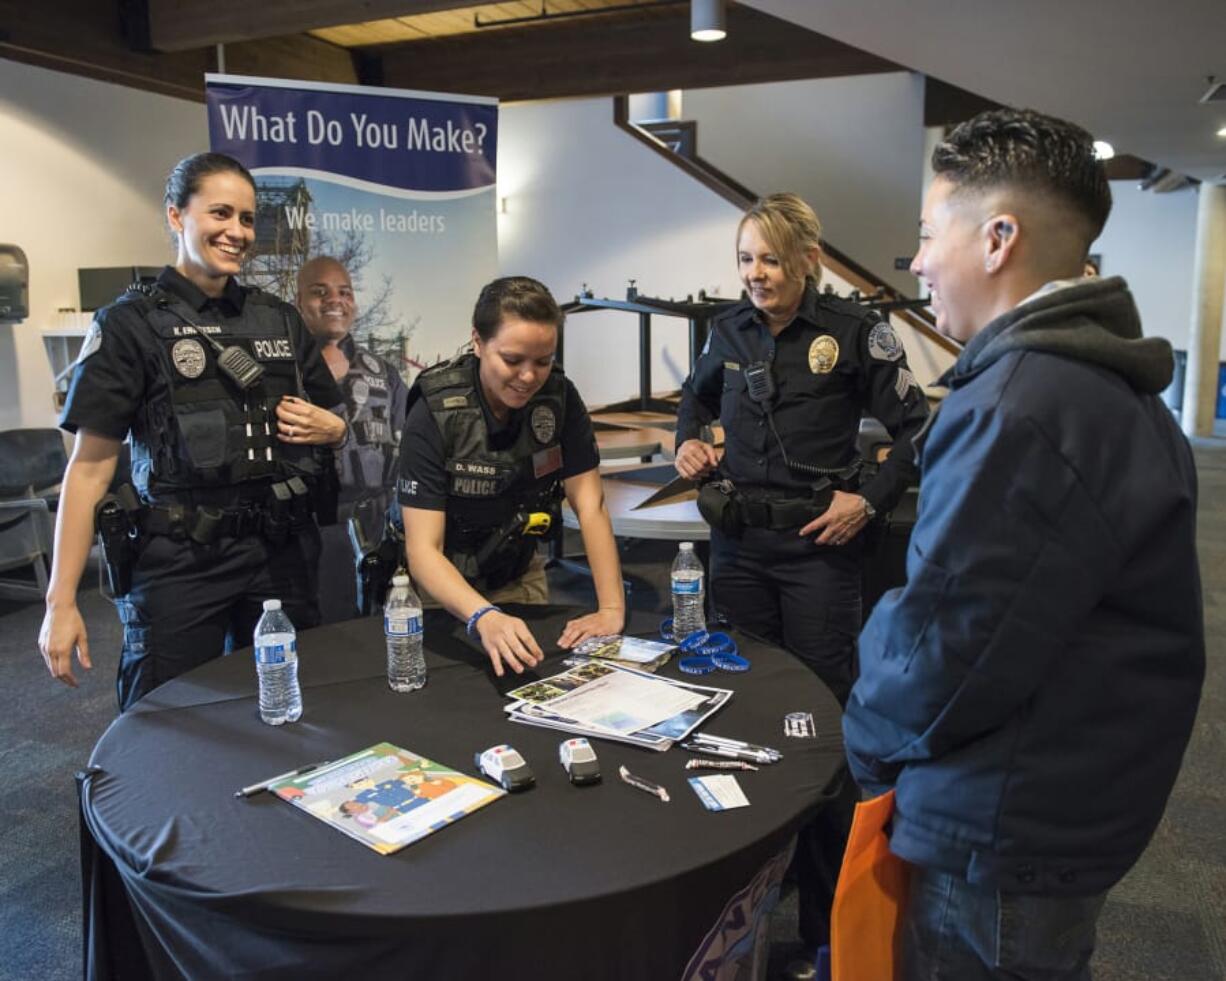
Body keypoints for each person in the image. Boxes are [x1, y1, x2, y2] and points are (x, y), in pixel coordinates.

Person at [844, 108, 1204, 979]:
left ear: (998, 237)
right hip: (1067, 797)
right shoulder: (1106, 386)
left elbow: (947, 644)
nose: (920, 260)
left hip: (1003, 826)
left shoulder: (1025, 405)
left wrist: (861, 735)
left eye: (930, 235)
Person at [674, 192, 930, 962]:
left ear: (808, 261)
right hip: (740, 552)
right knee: (745, 716)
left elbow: (920, 427)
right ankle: (754, 895)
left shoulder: (855, 332)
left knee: (819, 730)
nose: (756, 274)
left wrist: (871, 500)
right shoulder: (728, 329)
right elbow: (694, 401)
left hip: (821, 553)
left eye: (771, 260)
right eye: (746, 258)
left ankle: (827, 928)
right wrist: (689, 443)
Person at [38, 152, 347, 710]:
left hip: (279, 554)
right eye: (221, 213)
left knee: (291, 708)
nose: (237, 232)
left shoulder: (278, 319)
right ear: (177, 216)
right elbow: (88, 469)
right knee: (168, 720)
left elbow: (331, 418)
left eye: (248, 219)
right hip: (180, 561)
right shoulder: (129, 324)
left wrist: (334, 428)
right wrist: (61, 600)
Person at [398, 276, 625, 676]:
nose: (528, 377)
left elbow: (590, 506)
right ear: (478, 342)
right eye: (512, 360)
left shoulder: (560, 399)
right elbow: (422, 551)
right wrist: (483, 616)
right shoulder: (434, 410)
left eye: (543, 361)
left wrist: (611, 610)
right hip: (442, 593)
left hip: (520, 576)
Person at [295, 256, 409, 621]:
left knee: (380, 634)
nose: (335, 300)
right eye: (320, 292)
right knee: (325, 638)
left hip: (378, 530)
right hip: (311, 532)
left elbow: (411, 444)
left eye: (344, 292)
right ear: (299, 302)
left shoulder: (384, 374)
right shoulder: (284, 372)